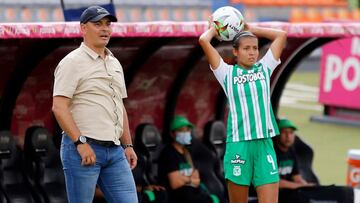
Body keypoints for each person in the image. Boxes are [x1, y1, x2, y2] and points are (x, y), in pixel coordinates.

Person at [52, 5, 138, 203]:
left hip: (115, 151)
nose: (105, 29)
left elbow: (119, 105)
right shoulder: (71, 62)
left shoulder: (114, 62)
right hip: (82, 149)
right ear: (83, 28)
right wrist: (80, 143)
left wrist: (128, 144)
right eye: (97, 24)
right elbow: (59, 107)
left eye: (108, 24)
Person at [199, 21, 287, 203]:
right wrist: (215, 29)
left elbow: (281, 35)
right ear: (235, 52)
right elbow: (203, 40)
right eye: (246, 48)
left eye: (255, 48)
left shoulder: (265, 68)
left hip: (264, 144)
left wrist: (252, 29)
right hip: (239, 144)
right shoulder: (226, 73)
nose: (252, 52)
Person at [158, 115, 215, 203]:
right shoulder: (168, 153)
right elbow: (175, 183)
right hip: (176, 197)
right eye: (181, 130)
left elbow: (197, 180)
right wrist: (190, 179)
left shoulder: (188, 152)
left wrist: (184, 179)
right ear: (172, 134)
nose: (186, 133)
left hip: (192, 194)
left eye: (187, 130)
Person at [274, 118, 315, 189]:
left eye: (291, 132)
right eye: (284, 132)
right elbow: (275, 182)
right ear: (277, 134)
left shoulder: (291, 152)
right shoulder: (271, 154)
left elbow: (297, 177)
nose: (288, 136)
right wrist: (301, 186)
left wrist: (308, 188)